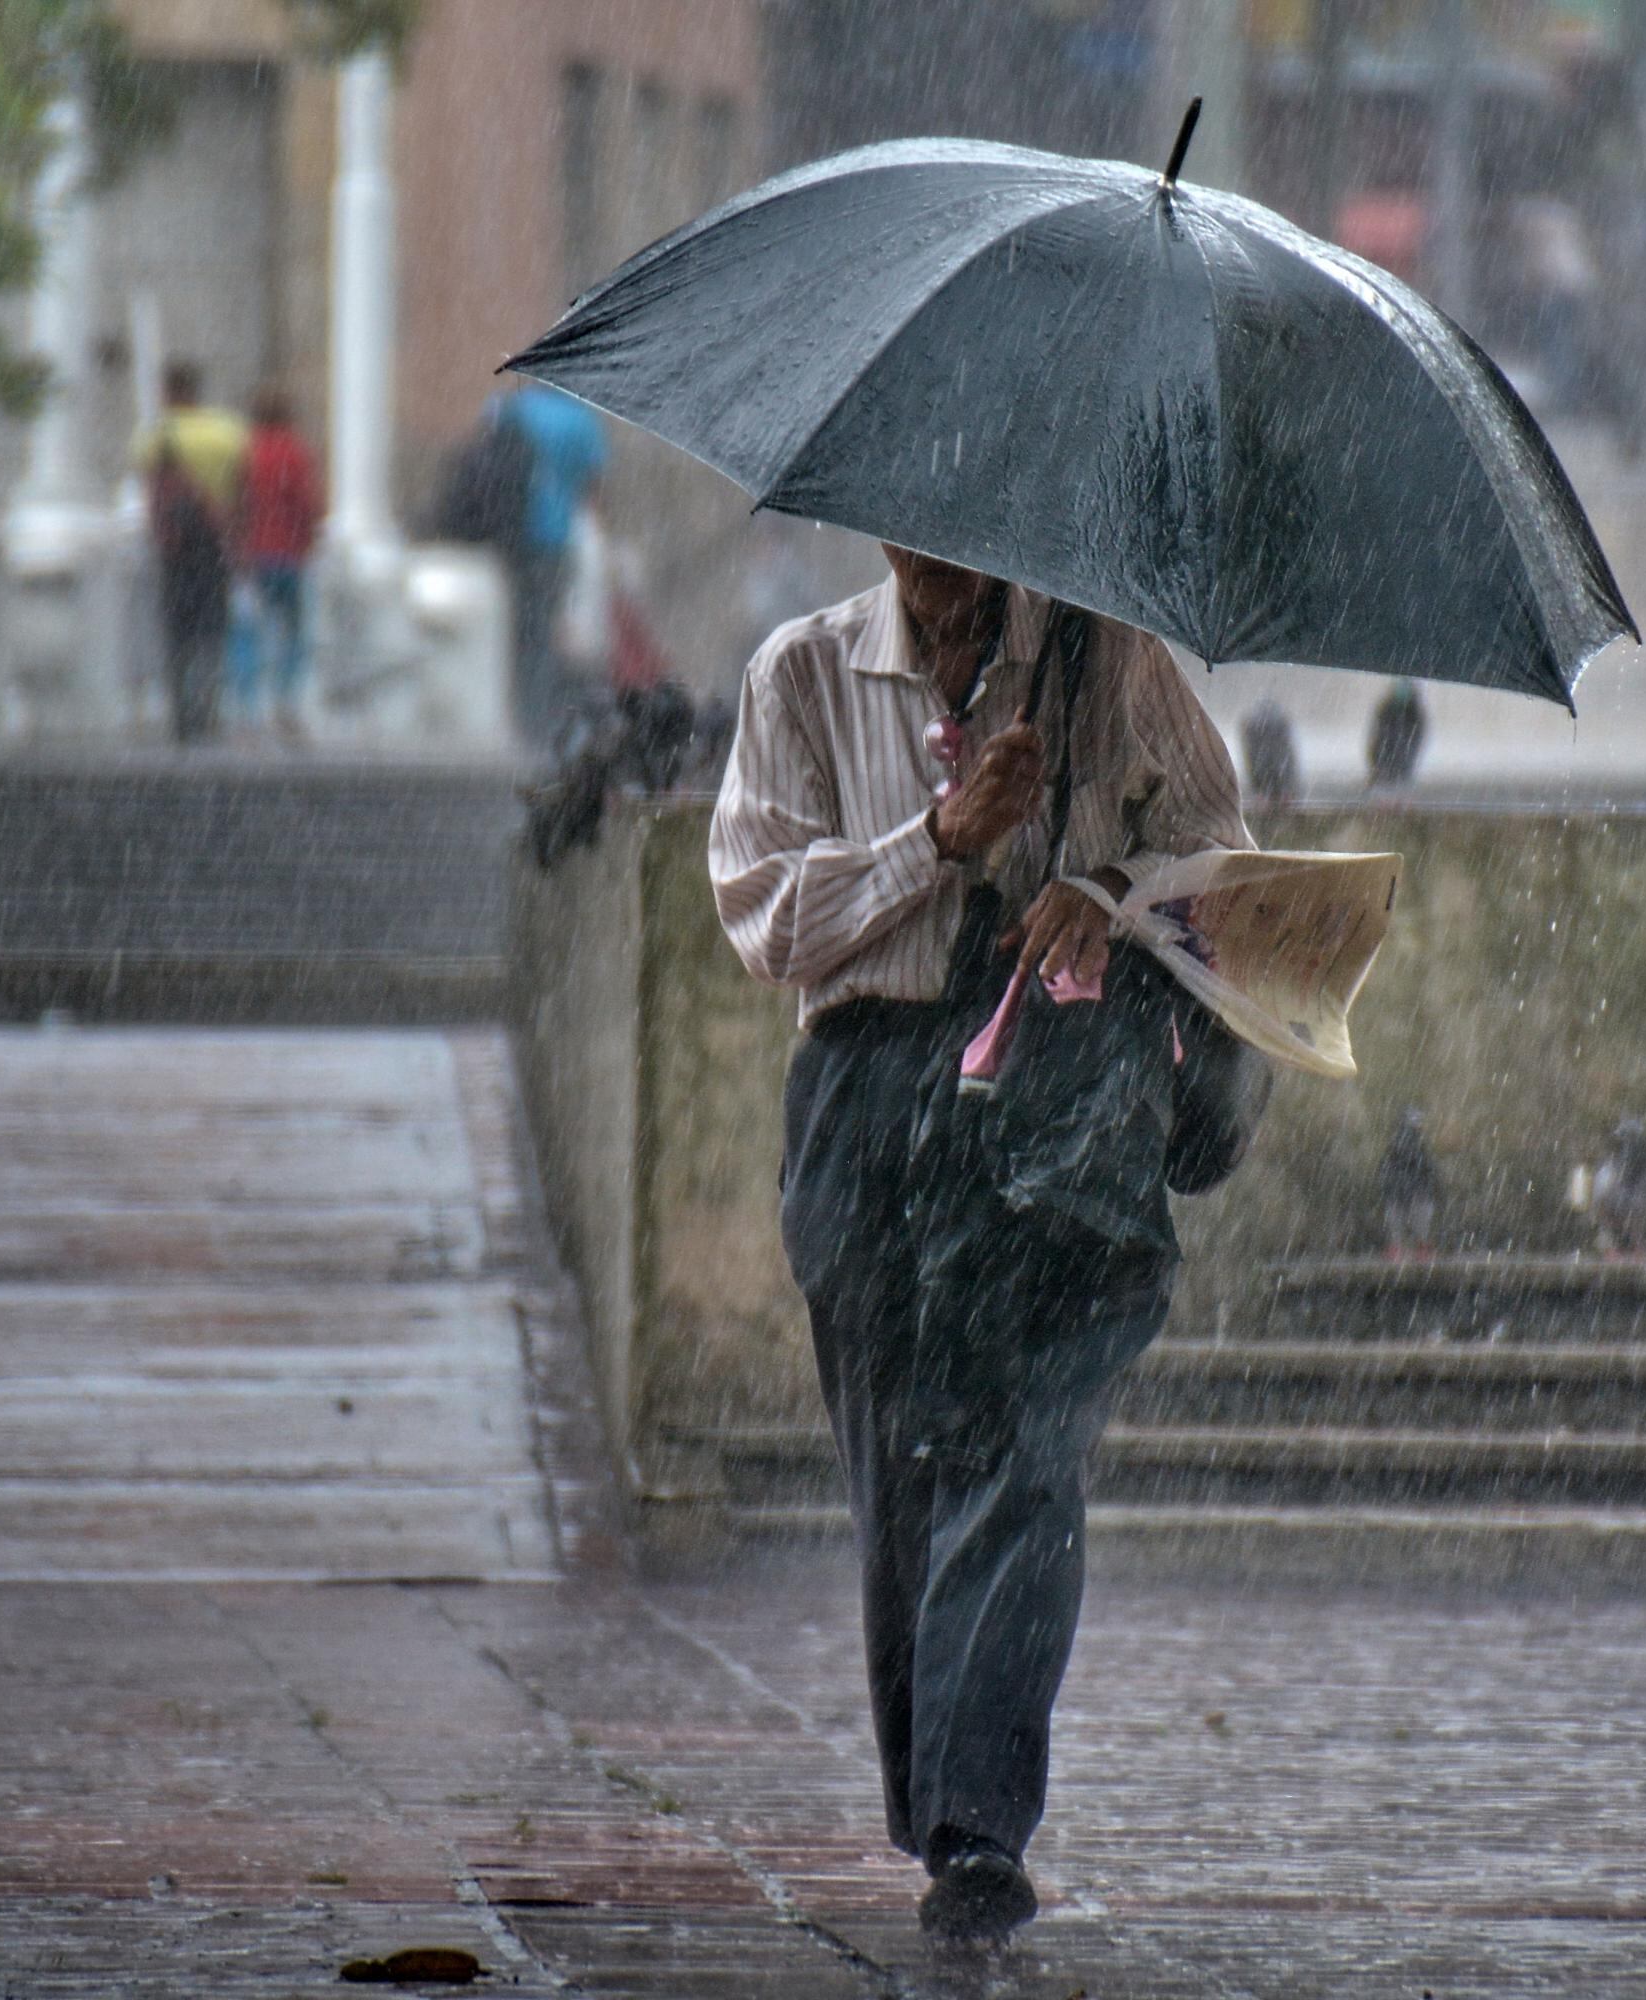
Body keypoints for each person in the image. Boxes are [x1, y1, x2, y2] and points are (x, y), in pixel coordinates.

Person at [708, 547, 1248, 1943]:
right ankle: (940, 1795)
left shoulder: (1107, 656)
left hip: (1057, 1098)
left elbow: (1224, 857)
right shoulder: (806, 672)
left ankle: (980, 1824)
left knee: (1032, 1447)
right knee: (900, 1460)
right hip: (870, 1095)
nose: (936, 554)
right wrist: (936, 843)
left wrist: (1109, 892)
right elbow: (764, 914)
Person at [135, 360, 247, 745]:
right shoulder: (226, 433)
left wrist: (159, 533)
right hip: (214, 543)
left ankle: (183, 713)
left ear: (169, 393)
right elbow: (242, 489)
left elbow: (152, 493)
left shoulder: (157, 436)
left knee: (178, 632)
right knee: (212, 630)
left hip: (175, 547)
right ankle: (209, 707)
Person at [496, 382, 608, 749]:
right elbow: (592, 489)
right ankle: (538, 720)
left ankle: (515, 713)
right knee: (544, 632)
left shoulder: (512, 409)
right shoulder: (581, 421)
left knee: (516, 632)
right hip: (556, 540)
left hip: (511, 537)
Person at [231, 383, 326, 743]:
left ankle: (246, 709)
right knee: (293, 634)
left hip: (256, 554)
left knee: (250, 632)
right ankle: (285, 703)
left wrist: (239, 544)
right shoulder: (296, 453)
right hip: (290, 554)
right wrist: (310, 537)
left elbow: (239, 502)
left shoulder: (249, 451)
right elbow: (308, 503)